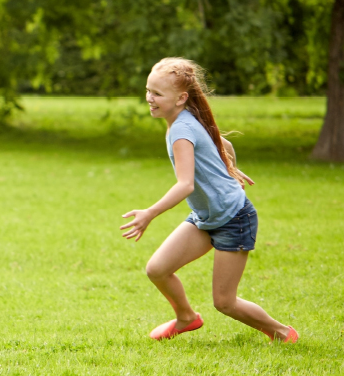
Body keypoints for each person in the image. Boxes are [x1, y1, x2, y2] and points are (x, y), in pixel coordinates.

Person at [119, 57, 298, 343]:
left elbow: (185, 185)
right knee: (157, 269)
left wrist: (150, 212)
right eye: (148, 90)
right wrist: (228, 167)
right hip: (206, 218)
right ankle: (186, 317)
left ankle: (283, 334)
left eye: (157, 93)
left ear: (181, 98)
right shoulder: (186, 116)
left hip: (233, 219)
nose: (149, 98)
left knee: (225, 302)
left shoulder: (181, 129)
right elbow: (222, 143)